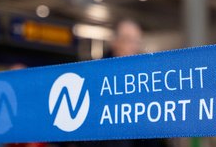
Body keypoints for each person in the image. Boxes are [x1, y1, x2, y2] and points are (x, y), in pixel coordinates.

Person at [64, 19, 166, 147]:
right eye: (128, 40)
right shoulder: (95, 75)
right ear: (115, 41)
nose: (133, 46)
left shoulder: (144, 80)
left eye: (137, 41)